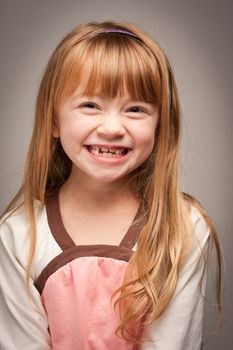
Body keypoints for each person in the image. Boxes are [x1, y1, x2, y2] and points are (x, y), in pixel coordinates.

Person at [0, 20, 222, 350]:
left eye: (135, 109)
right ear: (53, 120)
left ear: (161, 127)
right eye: (90, 105)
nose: (112, 127)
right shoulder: (19, 234)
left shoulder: (185, 228)